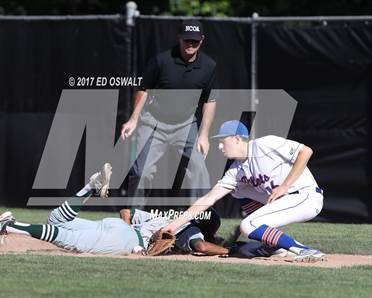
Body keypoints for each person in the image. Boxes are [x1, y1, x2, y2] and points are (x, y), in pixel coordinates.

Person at [163, 120, 326, 262]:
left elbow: (306, 151)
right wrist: (172, 226)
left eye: (222, 141)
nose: (219, 146)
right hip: (285, 201)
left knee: (248, 225)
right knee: (237, 190)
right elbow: (208, 199)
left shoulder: (265, 144)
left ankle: (303, 250)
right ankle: (274, 246)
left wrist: (285, 185)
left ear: (236, 138)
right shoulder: (236, 171)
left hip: (306, 196)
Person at [121, 19, 217, 201]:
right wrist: (134, 119)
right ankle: (132, 218)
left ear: (202, 40)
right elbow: (143, 89)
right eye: (187, 40)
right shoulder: (161, 60)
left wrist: (204, 135)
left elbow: (210, 100)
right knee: (142, 172)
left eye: (195, 41)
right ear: (179, 38)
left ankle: (202, 220)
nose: (190, 44)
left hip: (186, 124)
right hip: (154, 122)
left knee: (199, 170)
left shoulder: (209, 66)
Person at [0, 164, 146, 255]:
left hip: (121, 227)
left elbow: (127, 213)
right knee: (72, 239)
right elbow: (168, 234)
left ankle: (90, 187)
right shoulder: (170, 223)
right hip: (131, 239)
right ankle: (8, 226)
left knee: (56, 220)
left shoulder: (163, 218)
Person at [119, 207, 228, 256]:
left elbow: (125, 212)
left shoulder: (166, 217)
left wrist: (127, 230)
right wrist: (228, 251)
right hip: (136, 244)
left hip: (116, 229)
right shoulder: (191, 229)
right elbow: (201, 247)